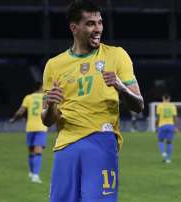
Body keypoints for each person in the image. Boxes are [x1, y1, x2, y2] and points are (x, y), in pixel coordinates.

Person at [41, 1, 144, 201]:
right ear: (74, 28)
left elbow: (138, 105)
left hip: (101, 140)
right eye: (90, 24)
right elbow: (47, 120)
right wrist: (52, 104)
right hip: (65, 146)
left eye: (100, 23)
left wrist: (120, 87)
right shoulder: (54, 65)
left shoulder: (117, 55)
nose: (97, 29)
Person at [9, 82, 48, 183]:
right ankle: (35, 176)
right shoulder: (45, 97)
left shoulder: (28, 97)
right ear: (40, 87)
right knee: (38, 152)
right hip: (41, 127)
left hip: (30, 127)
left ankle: (31, 173)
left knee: (31, 151)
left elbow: (21, 111)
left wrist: (14, 119)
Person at [155, 94, 178, 163]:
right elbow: (174, 117)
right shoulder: (172, 106)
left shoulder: (160, 105)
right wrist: (175, 127)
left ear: (163, 98)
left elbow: (158, 117)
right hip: (170, 125)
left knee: (160, 141)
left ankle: (163, 153)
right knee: (169, 142)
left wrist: (156, 126)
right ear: (169, 98)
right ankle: (168, 159)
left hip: (162, 125)